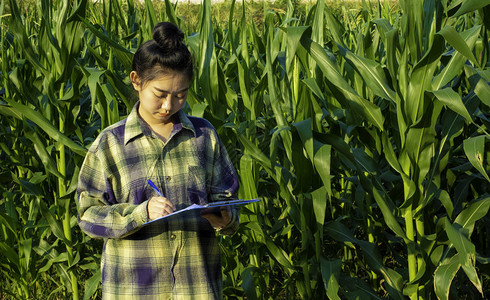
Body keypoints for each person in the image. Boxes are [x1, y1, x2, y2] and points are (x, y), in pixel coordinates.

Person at [76, 22, 239, 299]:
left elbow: (228, 200)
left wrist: (224, 217)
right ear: (137, 80)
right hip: (134, 288)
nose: (168, 106)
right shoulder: (111, 144)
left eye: (180, 96)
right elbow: (88, 216)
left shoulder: (203, 136)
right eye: (160, 95)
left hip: (195, 287)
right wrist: (140, 214)